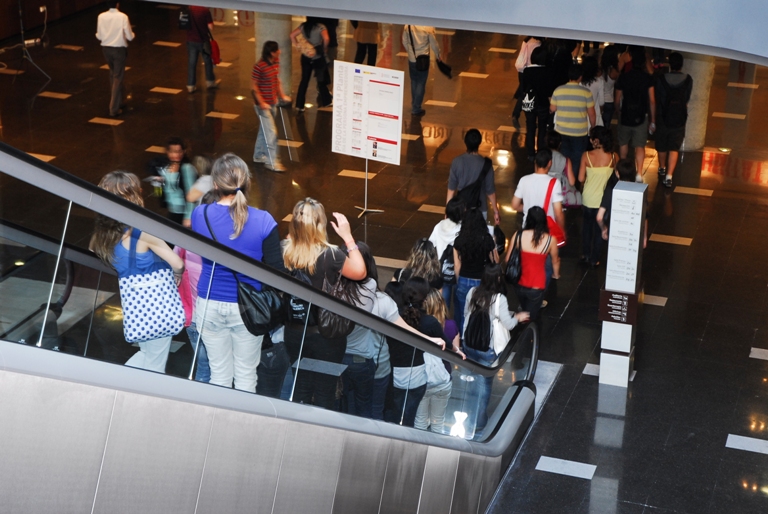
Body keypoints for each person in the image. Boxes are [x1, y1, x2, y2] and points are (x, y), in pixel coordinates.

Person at [191, 154, 285, 393]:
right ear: (247, 183)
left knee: (219, 374)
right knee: (245, 376)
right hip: (248, 307)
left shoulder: (200, 215)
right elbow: (277, 272)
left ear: (215, 185)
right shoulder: (264, 221)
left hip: (209, 302)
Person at [90, 171, 184, 372]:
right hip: (158, 304)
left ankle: (118, 383)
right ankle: (124, 387)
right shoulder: (142, 232)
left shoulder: (103, 234)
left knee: (147, 354)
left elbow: (92, 248)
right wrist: (177, 274)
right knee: (155, 363)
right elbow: (177, 263)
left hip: (136, 306)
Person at [282, 198, 366, 409]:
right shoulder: (330, 254)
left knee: (300, 387)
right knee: (325, 391)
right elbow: (360, 271)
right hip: (325, 335)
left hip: (293, 331)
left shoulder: (284, 250)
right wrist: (347, 236)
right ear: (320, 225)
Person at [461, 264, 529, 432]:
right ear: (498, 278)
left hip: (469, 344)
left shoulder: (472, 292)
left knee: (473, 378)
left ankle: (469, 414)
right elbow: (509, 324)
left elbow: (465, 314)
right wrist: (518, 317)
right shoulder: (499, 299)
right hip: (488, 349)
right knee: (484, 383)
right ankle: (479, 422)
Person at [385, 278, 460, 427]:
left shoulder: (393, 316)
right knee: (411, 419)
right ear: (425, 299)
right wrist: (457, 351)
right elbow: (446, 343)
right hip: (417, 376)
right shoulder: (430, 322)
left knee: (392, 415)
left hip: (393, 373)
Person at [511, 149, 565, 292]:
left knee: (527, 263)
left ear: (535, 162)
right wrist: (562, 229)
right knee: (545, 264)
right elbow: (559, 212)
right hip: (546, 230)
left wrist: (527, 207)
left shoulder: (524, 180)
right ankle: (539, 294)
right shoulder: (555, 183)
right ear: (550, 163)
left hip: (527, 229)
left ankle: (526, 291)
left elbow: (515, 205)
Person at [339, 242, 378, 417]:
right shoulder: (370, 286)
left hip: (337, 357)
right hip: (361, 359)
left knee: (339, 404)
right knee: (364, 408)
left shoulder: (333, 286)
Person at [504, 207, 560, 320]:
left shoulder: (518, 235)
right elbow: (555, 260)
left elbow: (507, 259)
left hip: (519, 283)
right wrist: (556, 274)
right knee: (530, 316)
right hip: (537, 285)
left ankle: (522, 326)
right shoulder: (550, 240)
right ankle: (528, 333)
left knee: (524, 310)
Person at [414, 289, 458, 434]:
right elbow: (455, 353)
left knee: (420, 421)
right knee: (438, 423)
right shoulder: (451, 326)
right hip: (443, 378)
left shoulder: (419, 323)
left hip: (421, 378)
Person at [453, 209, 499, 333]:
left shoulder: (459, 241)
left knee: (463, 312)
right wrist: (493, 244)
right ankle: (477, 337)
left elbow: (457, 266)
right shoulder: (487, 240)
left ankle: (463, 338)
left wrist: (459, 282)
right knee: (480, 312)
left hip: (464, 279)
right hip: (481, 281)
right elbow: (495, 261)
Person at [578, 126, 617, 267]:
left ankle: (586, 255)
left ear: (596, 140)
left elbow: (581, 178)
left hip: (588, 198)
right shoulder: (613, 157)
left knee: (587, 228)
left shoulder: (586, 156)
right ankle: (595, 259)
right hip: (604, 201)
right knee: (601, 229)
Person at [252, 41, 292, 173]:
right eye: (277, 50)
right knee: (271, 133)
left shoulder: (276, 62)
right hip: (263, 106)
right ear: (271, 52)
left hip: (272, 103)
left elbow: (277, 80)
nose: (279, 52)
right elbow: (254, 86)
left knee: (264, 130)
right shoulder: (259, 66)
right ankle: (271, 162)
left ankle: (258, 155)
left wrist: (282, 95)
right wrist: (262, 102)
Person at [615, 46, 656, 177]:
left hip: (625, 114)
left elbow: (617, 99)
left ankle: (622, 168)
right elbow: (652, 100)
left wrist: (618, 113)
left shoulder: (624, 77)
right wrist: (652, 120)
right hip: (641, 116)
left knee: (623, 143)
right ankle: (639, 173)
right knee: (639, 146)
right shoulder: (647, 78)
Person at [654, 52, 693, 188]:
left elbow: (658, 98)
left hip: (663, 118)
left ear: (669, 64)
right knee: (674, 147)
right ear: (681, 65)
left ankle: (662, 168)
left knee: (662, 145)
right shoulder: (688, 80)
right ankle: (669, 176)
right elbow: (686, 99)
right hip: (679, 118)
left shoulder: (661, 79)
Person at [550, 63, 597, 175]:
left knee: (564, 158)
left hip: (561, 131)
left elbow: (552, 108)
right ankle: (572, 182)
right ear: (580, 77)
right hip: (579, 133)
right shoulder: (586, 93)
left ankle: (564, 180)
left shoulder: (558, 90)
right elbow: (592, 114)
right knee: (577, 159)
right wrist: (593, 127)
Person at [446, 129, 499, 223]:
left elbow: (451, 190)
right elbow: (490, 191)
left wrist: (448, 212)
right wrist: (495, 211)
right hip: (480, 209)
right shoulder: (486, 164)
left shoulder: (456, 162)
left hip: (461, 210)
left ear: (465, 142)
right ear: (479, 143)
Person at [597, 158, 649, 248]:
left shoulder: (610, 190)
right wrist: (644, 237)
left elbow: (599, 217)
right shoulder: (639, 191)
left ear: (617, 173)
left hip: (614, 233)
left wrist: (604, 229)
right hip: (633, 234)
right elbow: (645, 217)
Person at [147, 137, 197, 226]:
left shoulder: (186, 168)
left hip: (182, 211)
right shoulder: (165, 167)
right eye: (173, 151)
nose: (176, 154)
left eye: (179, 151)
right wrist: (157, 183)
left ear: (184, 152)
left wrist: (188, 216)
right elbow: (158, 190)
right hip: (171, 209)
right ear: (168, 152)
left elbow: (191, 193)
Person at [95, 1, 134, 117]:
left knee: (113, 74)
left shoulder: (101, 16)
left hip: (106, 49)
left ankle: (120, 101)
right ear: (118, 4)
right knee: (118, 76)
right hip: (119, 49)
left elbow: (99, 35)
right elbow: (130, 36)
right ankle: (113, 108)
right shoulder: (123, 17)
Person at [429, 197, 466, 311]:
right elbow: (458, 260)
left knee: (443, 307)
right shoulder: (461, 230)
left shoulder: (439, 225)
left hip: (440, 271)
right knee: (459, 306)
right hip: (456, 272)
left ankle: (444, 325)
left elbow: (431, 244)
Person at [291, 18, 333, 111]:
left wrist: (299, 46)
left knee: (304, 80)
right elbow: (326, 38)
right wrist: (324, 48)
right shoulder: (321, 27)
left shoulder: (303, 26)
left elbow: (292, 35)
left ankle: (299, 105)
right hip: (317, 56)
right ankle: (326, 101)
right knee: (320, 79)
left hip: (306, 56)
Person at [520, 46, 553, 159]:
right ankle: (540, 151)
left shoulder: (527, 71)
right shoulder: (547, 71)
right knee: (543, 127)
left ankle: (530, 153)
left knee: (530, 127)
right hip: (543, 103)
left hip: (530, 103)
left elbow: (523, 87)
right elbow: (549, 90)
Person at [402, 25, 441, 116]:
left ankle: (414, 104)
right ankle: (416, 107)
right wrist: (438, 54)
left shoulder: (408, 25)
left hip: (412, 59)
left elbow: (404, 41)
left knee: (414, 81)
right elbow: (433, 43)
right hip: (423, 59)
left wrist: (410, 52)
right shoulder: (427, 27)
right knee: (421, 83)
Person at [186, 6, 217, 93]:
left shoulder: (189, 8)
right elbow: (211, 27)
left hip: (190, 39)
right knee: (207, 61)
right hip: (203, 41)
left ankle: (190, 86)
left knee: (192, 63)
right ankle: (210, 82)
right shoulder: (205, 10)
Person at [512, 36, 542, 121]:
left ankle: (516, 113)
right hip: (533, 71)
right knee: (530, 92)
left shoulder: (526, 41)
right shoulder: (539, 44)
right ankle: (523, 112)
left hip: (522, 70)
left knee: (524, 91)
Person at [581, 55, 605, 128]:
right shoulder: (600, 82)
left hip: (581, 115)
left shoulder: (579, 82)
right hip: (595, 114)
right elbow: (601, 102)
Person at [600, 45, 622, 127]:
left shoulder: (600, 69)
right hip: (609, 100)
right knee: (606, 124)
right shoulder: (614, 71)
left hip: (599, 99)